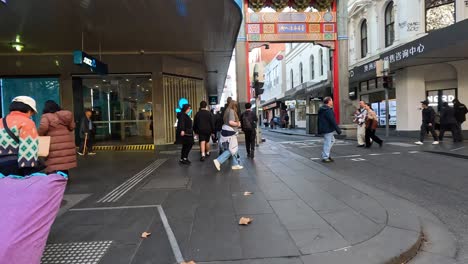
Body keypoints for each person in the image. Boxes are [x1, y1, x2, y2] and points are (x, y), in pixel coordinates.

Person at [0, 96, 41, 176]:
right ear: (29, 110)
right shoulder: (27, 122)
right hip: (16, 167)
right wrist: (28, 173)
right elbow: (28, 150)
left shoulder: (1, 121)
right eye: (32, 113)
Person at [38, 100, 77, 175]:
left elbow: (43, 127)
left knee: (53, 161)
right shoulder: (66, 115)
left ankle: (54, 180)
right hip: (66, 142)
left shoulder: (46, 116)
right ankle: (64, 178)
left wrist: (39, 134)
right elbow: (72, 127)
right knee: (64, 162)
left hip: (53, 143)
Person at [213, 100, 243, 171]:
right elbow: (231, 122)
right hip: (231, 132)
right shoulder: (231, 111)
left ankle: (235, 164)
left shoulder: (227, 111)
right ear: (235, 106)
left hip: (226, 131)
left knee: (234, 148)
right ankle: (218, 161)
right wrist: (238, 124)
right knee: (232, 149)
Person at [318, 97, 341, 163]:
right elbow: (332, 120)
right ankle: (325, 157)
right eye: (331, 100)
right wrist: (338, 130)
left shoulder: (323, 109)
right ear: (328, 101)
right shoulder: (327, 110)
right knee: (328, 143)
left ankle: (325, 154)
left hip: (326, 128)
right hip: (328, 129)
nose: (332, 102)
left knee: (332, 140)